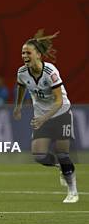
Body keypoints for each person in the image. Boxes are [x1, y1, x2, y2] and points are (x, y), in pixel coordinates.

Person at [13, 30, 78, 203]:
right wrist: (18, 106)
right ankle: (61, 167)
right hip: (41, 115)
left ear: (39, 55)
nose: (24, 55)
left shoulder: (50, 72)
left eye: (28, 52)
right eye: (22, 52)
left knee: (63, 153)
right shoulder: (22, 72)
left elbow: (58, 101)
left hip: (61, 113)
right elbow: (21, 87)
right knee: (39, 155)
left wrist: (43, 119)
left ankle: (73, 191)